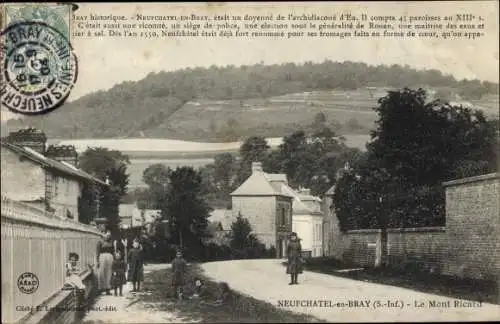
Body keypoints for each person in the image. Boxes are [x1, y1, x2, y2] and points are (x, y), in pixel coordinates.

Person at [96, 229, 114, 295]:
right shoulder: (100, 242)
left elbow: (113, 251)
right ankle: (100, 288)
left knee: (109, 273)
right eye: (107, 235)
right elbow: (97, 252)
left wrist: (114, 259)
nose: (108, 236)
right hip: (102, 256)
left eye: (109, 235)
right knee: (101, 273)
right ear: (104, 234)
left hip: (110, 257)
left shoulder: (111, 242)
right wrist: (97, 261)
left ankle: (108, 289)